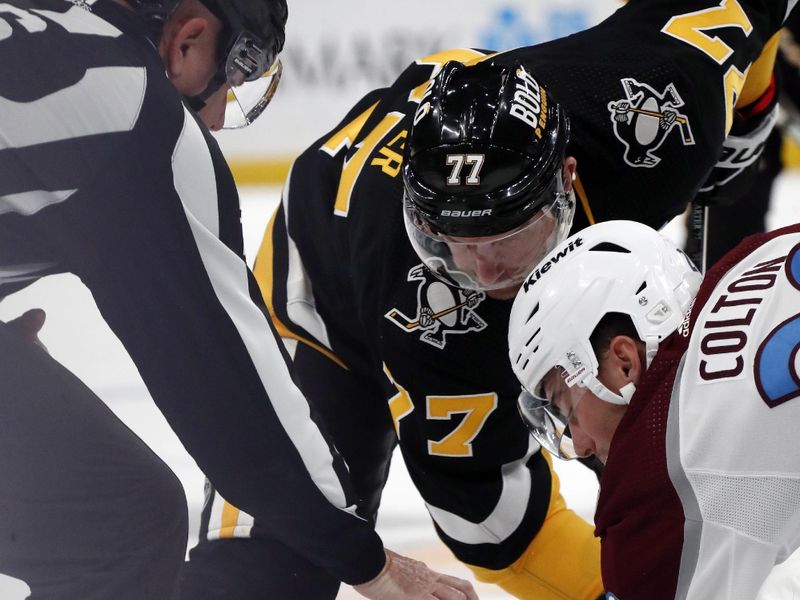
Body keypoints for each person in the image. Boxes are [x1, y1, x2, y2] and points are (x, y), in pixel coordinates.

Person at [182, 0, 797, 598]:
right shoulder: (432, 312)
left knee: (648, 431)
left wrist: (749, 104)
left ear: (568, 180)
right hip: (328, 304)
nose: (478, 270)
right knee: (267, 569)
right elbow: (492, 522)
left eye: (505, 237)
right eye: (449, 239)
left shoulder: (659, 115)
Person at [0, 1, 477, 599]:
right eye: (238, 70)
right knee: (123, 522)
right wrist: (366, 560)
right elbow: (232, 398)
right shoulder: (134, 116)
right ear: (188, 40)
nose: (221, 115)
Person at [509, 219, 800, 599]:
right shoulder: (756, 255)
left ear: (623, 363)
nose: (579, 445)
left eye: (569, 408)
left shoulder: (667, 481)